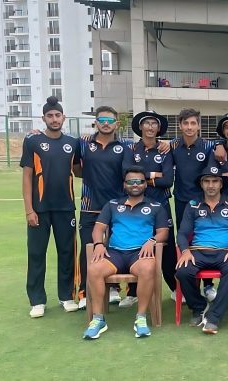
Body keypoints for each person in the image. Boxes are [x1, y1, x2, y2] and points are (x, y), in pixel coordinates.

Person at [82, 166, 169, 339]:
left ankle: (141, 318)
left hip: (139, 254)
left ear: (146, 184)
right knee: (94, 269)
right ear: (124, 185)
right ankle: (98, 319)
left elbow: (163, 232)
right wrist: (99, 243)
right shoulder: (113, 205)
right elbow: (99, 228)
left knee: (147, 267)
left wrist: (152, 241)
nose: (135, 185)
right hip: (114, 253)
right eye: (130, 182)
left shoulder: (156, 206)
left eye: (139, 182)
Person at [21, 96, 81, 317]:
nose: (54, 119)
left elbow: (79, 170)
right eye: (50, 116)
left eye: (57, 115)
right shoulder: (33, 141)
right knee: (36, 253)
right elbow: (27, 177)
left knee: (67, 253)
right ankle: (37, 300)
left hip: (66, 208)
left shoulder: (73, 143)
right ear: (43, 118)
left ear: (63, 117)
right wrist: (29, 209)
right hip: (39, 209)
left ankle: (66, 296)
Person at [175, 166, 228, 334]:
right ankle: (199, 306)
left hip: (224, 252)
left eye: (215, 181)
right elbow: (183, 233)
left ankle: (214, 317)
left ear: (221, 184)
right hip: (198, 251)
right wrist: (185, 251)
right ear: (201, 184)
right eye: (207, 181)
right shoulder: (193, 205)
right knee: (183, 271)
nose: (211, 185)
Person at [76, 106, 133, 309]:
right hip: (90, 206)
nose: (106, 124)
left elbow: (130, 172)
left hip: (118, 207)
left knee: (114, 249)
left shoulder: (126, 144)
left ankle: (114, 290)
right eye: (102, 120)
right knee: (88, 250)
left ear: (116, 123)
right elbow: (76, 169)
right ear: (96, 122)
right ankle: (84, 293)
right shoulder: (83, 143)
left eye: (110, 120)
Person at [124, 110, 175, 308]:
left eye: (154, 123)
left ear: (158, 128)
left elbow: (168, 180)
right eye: (147, 123)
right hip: (136, 206)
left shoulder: (165, 149)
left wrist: (142, 178)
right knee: (136, 244)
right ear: (141, 127)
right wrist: (154, 175)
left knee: (167, 247)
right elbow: (127, 174)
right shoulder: (131, 149)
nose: (151, 127)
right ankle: (132, 292)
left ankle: (175, 288)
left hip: (160, 205)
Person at [170, 108, 220, 302]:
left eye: (193, 123)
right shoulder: (173, 146)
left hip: (203, 203)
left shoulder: (208, 146)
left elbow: (210, 175)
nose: (189, 127)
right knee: (184, 240)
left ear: (198, 125)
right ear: (180, 125)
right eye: (186, 123)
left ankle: (208, 285)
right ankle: (188, 286)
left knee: (204, 239)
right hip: (182, 201)